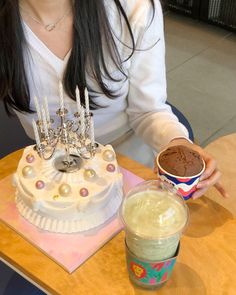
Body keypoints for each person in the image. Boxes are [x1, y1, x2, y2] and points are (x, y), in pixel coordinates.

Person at [0, 0, 227, 199]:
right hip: (48, 180)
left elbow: (148, 111)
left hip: (129, 172)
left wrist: (178, 144)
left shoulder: (133, 10)